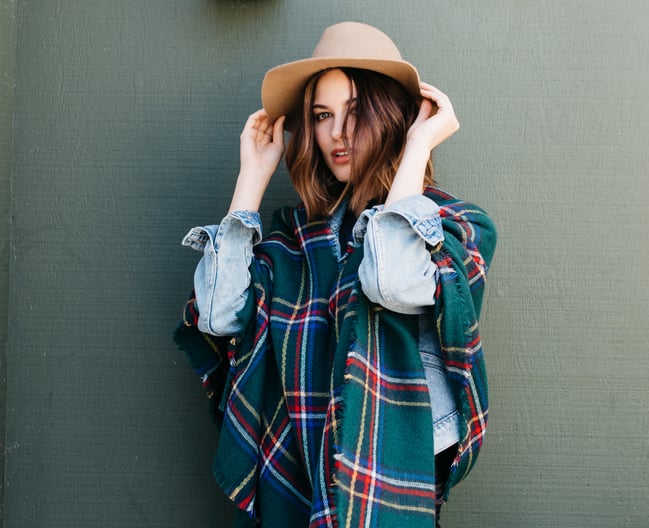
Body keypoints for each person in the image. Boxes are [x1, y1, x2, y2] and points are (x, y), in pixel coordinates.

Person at [175, 21, 497, 528]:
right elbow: (217, 316)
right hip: (295, 476)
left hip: (388, 482)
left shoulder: (457, 226)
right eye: (323, 115)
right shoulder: (290, 238)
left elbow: (389, 281)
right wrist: (252, 180)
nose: (338, 133)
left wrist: (416, 148)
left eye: (356, 112)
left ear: (394, 117)